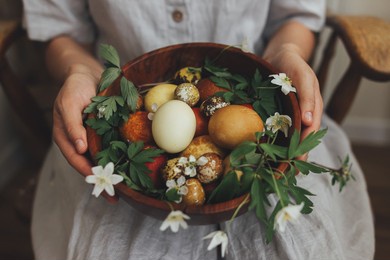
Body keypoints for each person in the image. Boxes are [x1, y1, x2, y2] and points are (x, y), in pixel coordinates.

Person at [22, 1, 374, 259]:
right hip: (116, 117)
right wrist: (78, 71)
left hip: (263, 111)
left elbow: (295, 16)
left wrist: (287, 50)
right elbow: (58, 28)